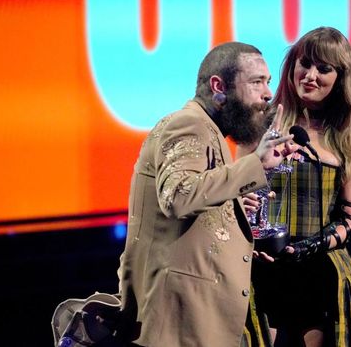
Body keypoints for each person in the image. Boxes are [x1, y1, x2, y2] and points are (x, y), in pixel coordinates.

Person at [116, 41, 295, 347]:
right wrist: (255, 164)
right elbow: (178, 196)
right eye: (256, 82)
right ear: (218, 87)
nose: (268, 94)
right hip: (180, 326)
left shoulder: (209, 131)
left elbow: (194, 224)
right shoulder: (189, 125)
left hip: (198, 320)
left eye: (268, 82)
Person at [248, 26, 351, 347]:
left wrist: (309, 246)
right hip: (261, 270)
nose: (310, 75)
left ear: (341, 78)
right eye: (305, 64)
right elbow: (239, 192)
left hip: (322, 275)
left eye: (324, 69)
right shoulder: (263, 122)